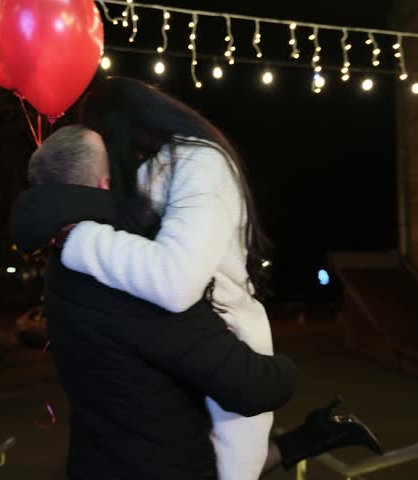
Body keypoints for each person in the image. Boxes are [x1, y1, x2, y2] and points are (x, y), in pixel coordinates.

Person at [10, 125, 384, 479]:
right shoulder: (129, 276)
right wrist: (287, 369)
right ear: (105, 184)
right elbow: (252, 386)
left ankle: (315, 435)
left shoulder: (61, 265)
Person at [56, 77, 277, 479]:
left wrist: (82, 239)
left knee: (233, 470)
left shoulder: (199, 161)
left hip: (227, 343)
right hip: (184, 348)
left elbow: (176, 282)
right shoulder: (152, 170)